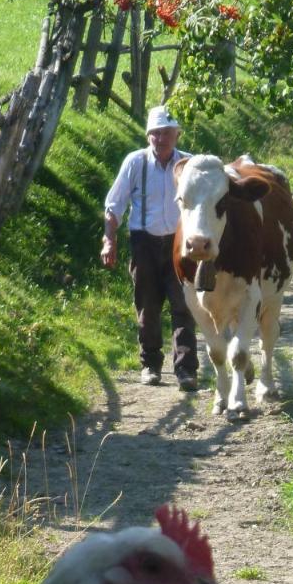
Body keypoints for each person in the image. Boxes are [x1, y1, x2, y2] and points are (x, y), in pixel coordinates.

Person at [101, 106, 199, 391]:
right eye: (156, 133)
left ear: (177, 134)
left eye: (167, 133)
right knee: (148, 307)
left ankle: (186, 370)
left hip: (180, 244)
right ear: (148, 136)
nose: (161, 138)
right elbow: (114, 205)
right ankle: (150, 365)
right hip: (143, 242)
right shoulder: (135, 163)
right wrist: (109, 239)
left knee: (184, 306)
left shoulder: (190, 165)